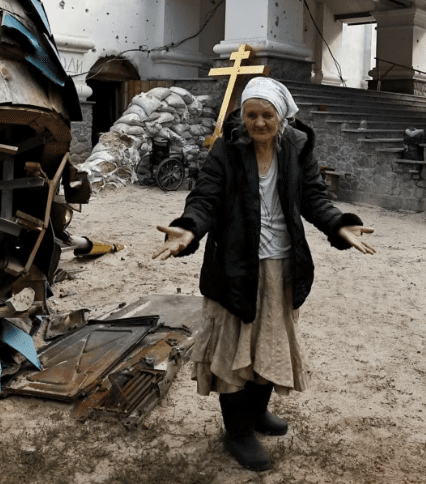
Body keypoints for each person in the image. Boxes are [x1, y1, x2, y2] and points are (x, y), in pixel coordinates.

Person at [153, 77, 376, 471]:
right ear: (242, 117)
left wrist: (339, 225)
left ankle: (255, 415)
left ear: (282, 117)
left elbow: (313, 196)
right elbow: (206, 196)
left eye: (266, 115)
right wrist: (188, 229)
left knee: (270, 343)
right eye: (251, 115)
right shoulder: (227, 149)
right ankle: (237, 432)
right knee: (237, 351)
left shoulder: (296, 147)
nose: (258, 123)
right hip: (235, 265)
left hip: (281, 265)